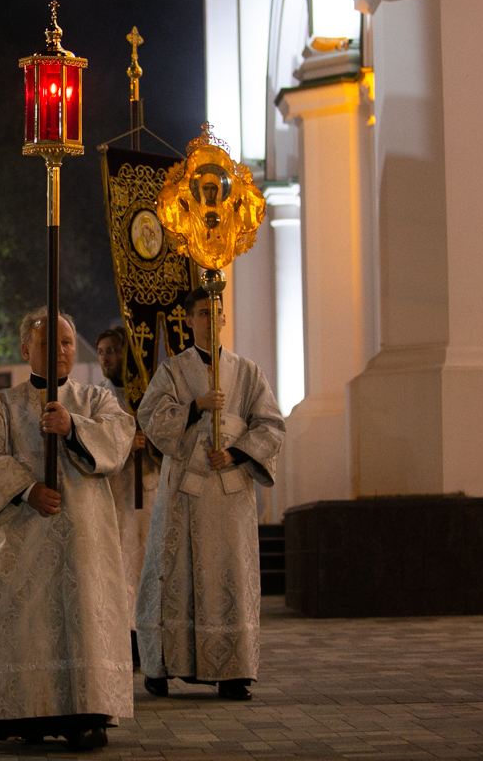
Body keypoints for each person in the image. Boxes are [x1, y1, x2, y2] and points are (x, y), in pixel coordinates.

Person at [0, 308, 134, 749]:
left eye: (65, 342)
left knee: (83, 620)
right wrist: (27, 490)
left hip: (84, 540)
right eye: (47, 343)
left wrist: (72, 426)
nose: (60, 350)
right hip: (25, 537)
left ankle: (86, 712)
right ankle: (24, 711)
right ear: (26, 350)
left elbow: (118, 440)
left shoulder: (96, 400)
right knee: (27, 623)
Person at [135, 287, 285, 701]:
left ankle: (234, 671)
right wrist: (196, 406)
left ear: (223, 319)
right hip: (184, 492)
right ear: (187, 320)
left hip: (229, 493)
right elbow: (149, 417)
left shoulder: (248, 372)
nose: (208, 319)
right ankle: (164, 665)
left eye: (214, 313)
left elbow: (271, 425)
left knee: (230, 573)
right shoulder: (173, 371)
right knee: (174, 573)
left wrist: (237, 451)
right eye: (200, 313)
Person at [94, 326, 160, 667]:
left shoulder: (148, 394)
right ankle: (124, 640)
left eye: (113, 351)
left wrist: (148, 442)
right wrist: (123, 444)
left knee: (147, 563)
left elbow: (168, 435)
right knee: (119, 566)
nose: (107, 357)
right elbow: (94, 442)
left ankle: (150, 640)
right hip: (116, 495)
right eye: (102, 351)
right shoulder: (96, 398)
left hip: (147, 490)